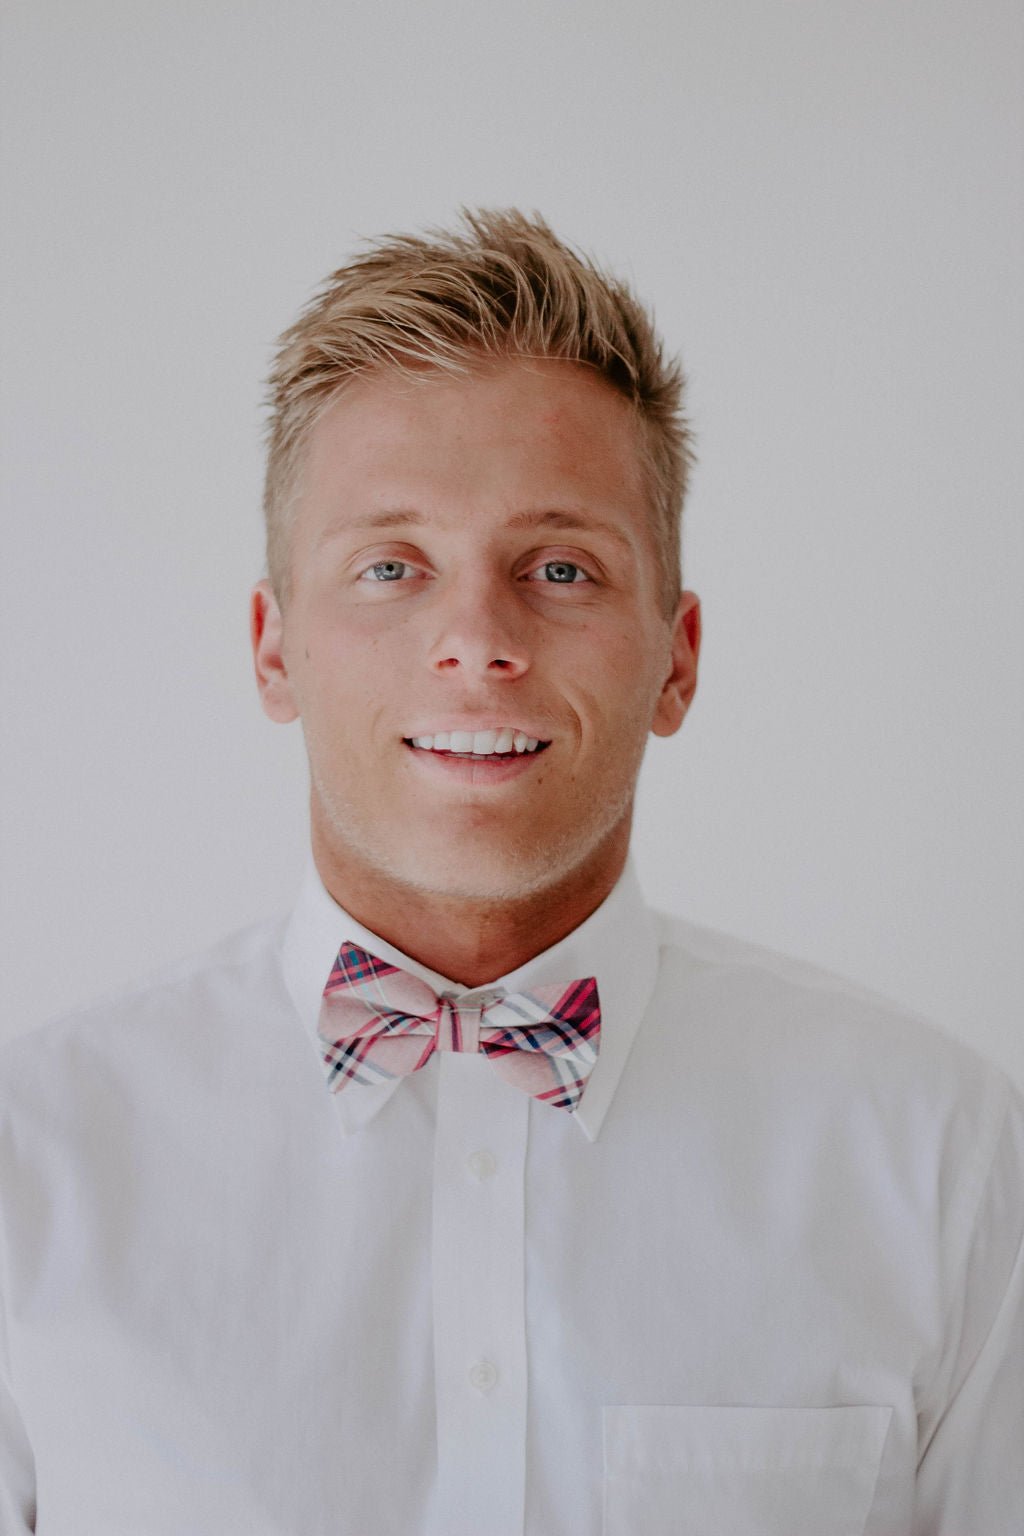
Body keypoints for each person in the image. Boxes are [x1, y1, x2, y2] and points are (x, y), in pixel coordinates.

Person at [0, 209, 1021, 1536]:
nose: (478, 640)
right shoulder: (33, 1161)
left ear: (678, 658)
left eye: (560, 568)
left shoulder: (942, 1159)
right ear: (272, 648)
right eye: (390, 566)